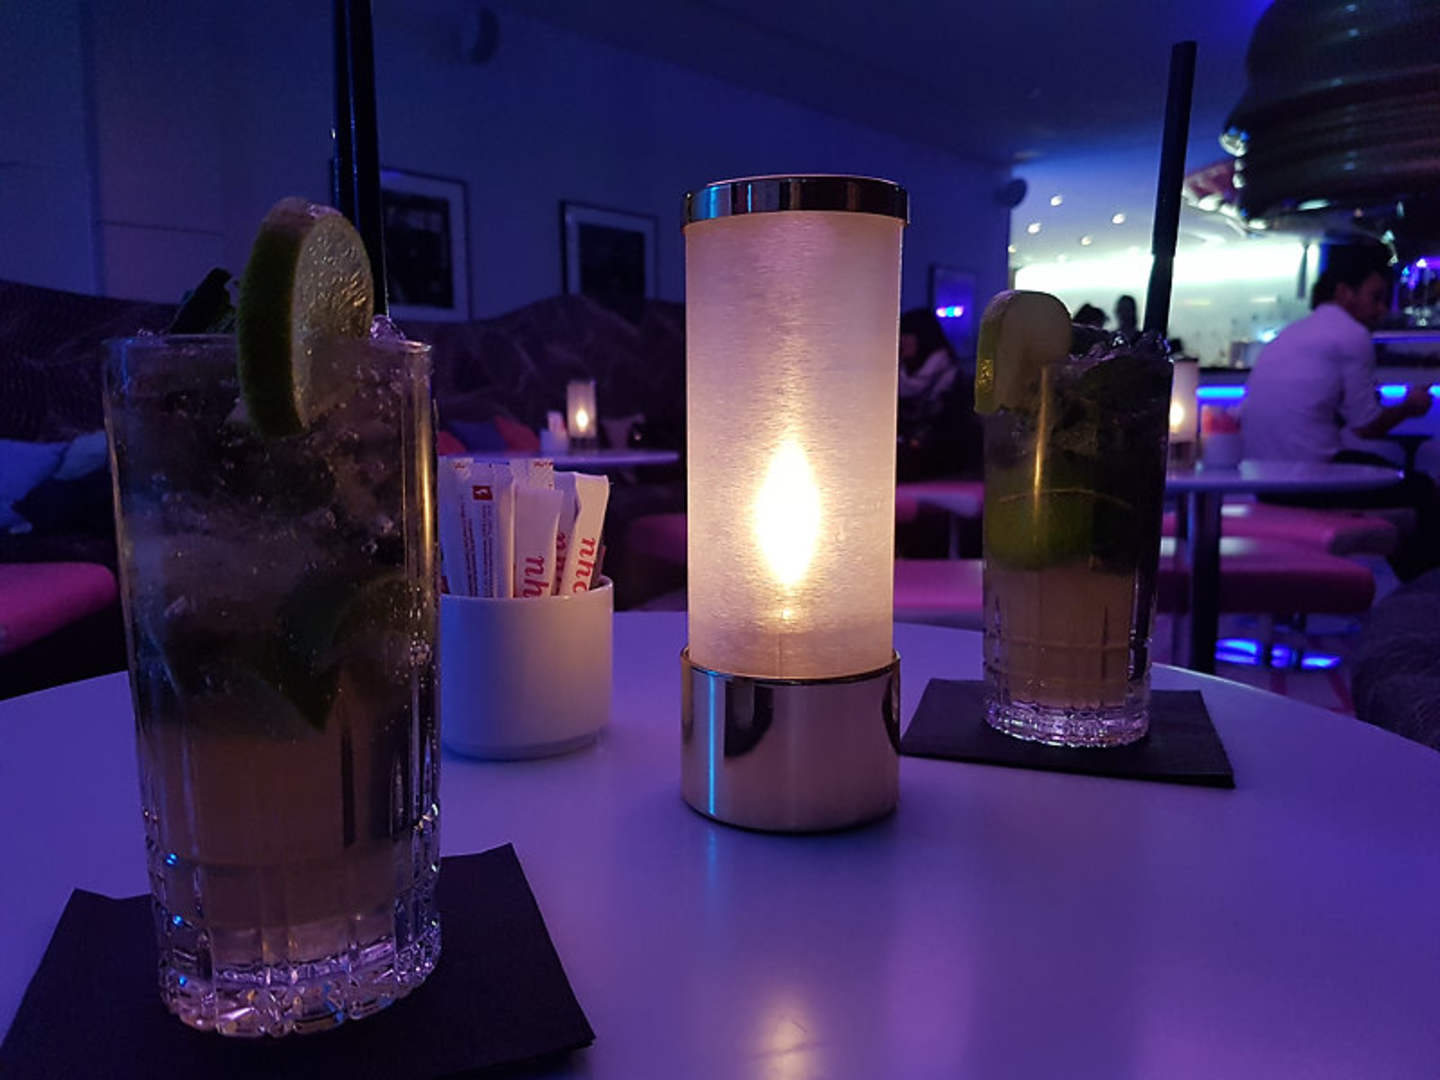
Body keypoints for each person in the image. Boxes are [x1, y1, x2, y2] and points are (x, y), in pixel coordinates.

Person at [1242, 247, 1438, 579]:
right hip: (1309, 483)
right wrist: (1410, 406)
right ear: (1344, 292)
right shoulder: (1352, 334)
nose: (1381, 309)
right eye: (1375, 298)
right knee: (1424, 491)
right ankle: (1420, 597)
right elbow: (1367, 427)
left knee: (1391, 475)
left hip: (1265, 482)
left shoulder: (1293, 333)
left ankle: (1404, 592)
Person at [896, 307, 981, 482]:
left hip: (944, 472)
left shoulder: (951, 379)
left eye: (907, 334)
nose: (901, 340)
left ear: (924, 337)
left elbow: (953, 434)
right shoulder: (895, 377)